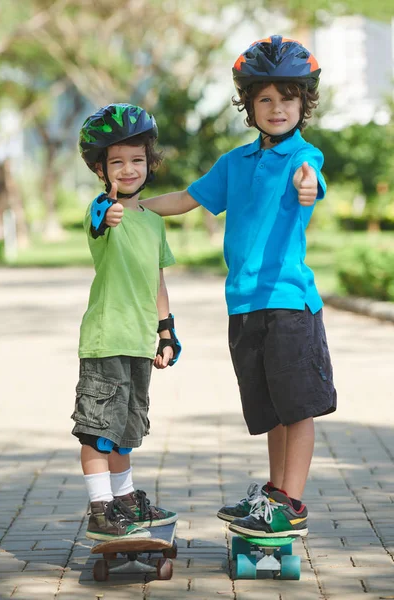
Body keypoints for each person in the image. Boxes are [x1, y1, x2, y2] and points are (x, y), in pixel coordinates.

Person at [141, 36, 337, 538]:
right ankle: (274, 495)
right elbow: (188, 198)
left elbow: (311, 179)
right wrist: (137, 207)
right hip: (244, 305)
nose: (276, 109)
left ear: (303, 104)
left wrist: (308, 186)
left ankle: (292, 503)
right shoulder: (235, 163)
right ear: (248, 104)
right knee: (271, 409)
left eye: (287, 99)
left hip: (289, 302)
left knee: (298, 407)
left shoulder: (304, 157)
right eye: (265, 99)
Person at [72, 103, 181, 541]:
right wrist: (107, 209)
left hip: (138, 342)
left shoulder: (153, 222)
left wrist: (166, 331)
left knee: (125, 432)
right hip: (105, 341)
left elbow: (157, 281)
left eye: (137, 160)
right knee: (98, 430)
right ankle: (101, 507)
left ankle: (125, 498)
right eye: (117, 162)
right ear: (101, 169)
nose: (128, 169)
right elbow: (100, 220)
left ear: (149, 163)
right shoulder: (103, 211)